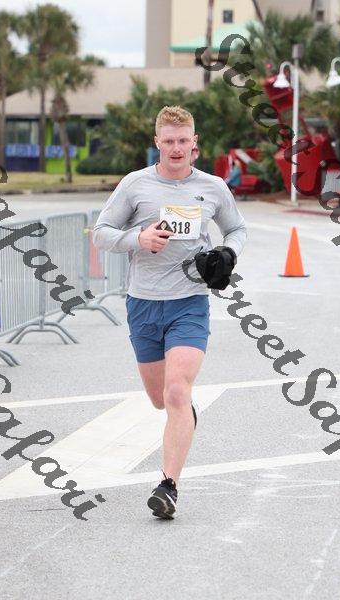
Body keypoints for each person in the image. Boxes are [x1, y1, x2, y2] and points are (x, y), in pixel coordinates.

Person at [93, 106, 247, 520]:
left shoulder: (213, 187)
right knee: (160, 399)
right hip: (143, 303)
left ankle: (168, 486)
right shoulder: (135, 184)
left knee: (177, 391)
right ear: (157, 143)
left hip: (189, 302)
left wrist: (228, 252)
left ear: (194, 143)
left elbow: (237, 228)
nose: (177, 148)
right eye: (169, 141)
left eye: (183, 141)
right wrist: (138, 239)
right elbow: (101, 233)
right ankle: (182, 415)